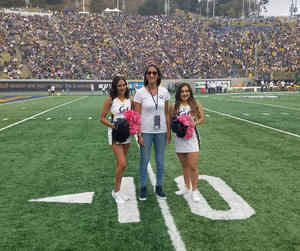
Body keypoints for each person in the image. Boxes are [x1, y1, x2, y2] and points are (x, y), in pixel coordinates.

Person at [134, 64, 171, 201]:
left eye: (154, 73)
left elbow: (166, 113)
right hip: (146, 132)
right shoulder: (140, 92)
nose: (151, 75)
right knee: (144, 160)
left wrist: (169, 131)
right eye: (149, 73)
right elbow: (136, 115)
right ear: (145, 75)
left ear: (158, 75)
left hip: (161, 131)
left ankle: (159, 186)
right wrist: (138, 134)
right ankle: (143, 187)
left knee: (160, 161)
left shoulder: (164, 92)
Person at [100, 76, 134, 204]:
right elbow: (102, 118)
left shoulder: (129, 100)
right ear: (115, 87)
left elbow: (134, 115)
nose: (122, 88)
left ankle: (118, 190)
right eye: (119, 86)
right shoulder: (110, 100)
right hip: (114, 133)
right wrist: (114, 126)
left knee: (120, 165)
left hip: (126, 134)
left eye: (123, 85)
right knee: (123, 163)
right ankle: (115, 192)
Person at [170, 83, 204, 202]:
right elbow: (171, 121)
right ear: (179, 93)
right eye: (182, 91)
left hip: (192, 138)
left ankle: (194, 191)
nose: (185, 93)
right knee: (184, 165)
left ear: (190, 92)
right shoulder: (174, 106)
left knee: (192, 166)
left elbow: (202, 118)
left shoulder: (195, 104)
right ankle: (186, 187)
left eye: (187, 91)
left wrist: (194, 123)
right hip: (180, 139)